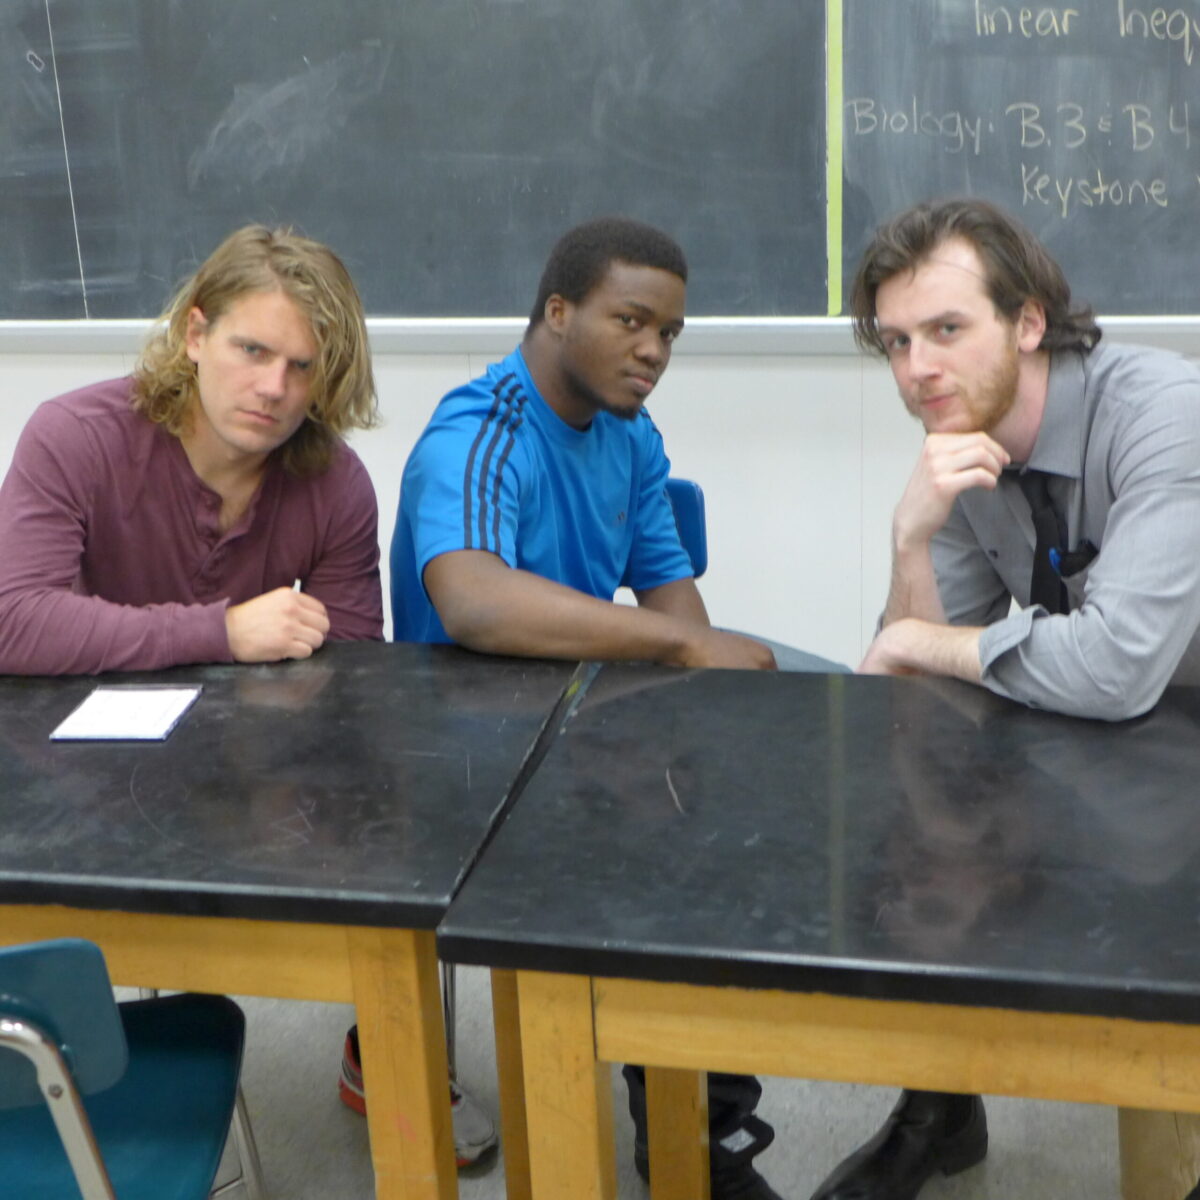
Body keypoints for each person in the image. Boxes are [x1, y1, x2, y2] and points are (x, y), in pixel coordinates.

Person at [387, 216, 783, 1199]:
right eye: (632, 321)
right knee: (658, 854)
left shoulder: (631, 435)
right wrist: (686, 646)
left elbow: (671, 598)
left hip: (574, 722)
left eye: (670, 334)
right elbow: (474, 602)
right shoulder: (481, 430)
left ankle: (699, 1126)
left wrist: (705, 690)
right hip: (459, 755)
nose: (653, 350)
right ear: (558, 311)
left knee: (722, 813)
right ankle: (658, 1103)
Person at [820, 196, 1200, 1200]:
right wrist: (911, 539)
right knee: (921, 818)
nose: (916, 371)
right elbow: (909, 685)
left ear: (1029, 321)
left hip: (1181, 711)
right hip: (1102, 717)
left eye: (947, 330)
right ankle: (940, 1107)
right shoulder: (964, 441)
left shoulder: (1165, 412)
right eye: (897, 342)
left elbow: (1121, 666)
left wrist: (921, 641)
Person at [0, 224, 383, 674]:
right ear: (195, 335)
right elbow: (12, 621)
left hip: (250, 735)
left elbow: (353, 671)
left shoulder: (337, 482)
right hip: (85, 728)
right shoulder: (73, 437)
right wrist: (222, 632)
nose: (274, 388)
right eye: (253, 351)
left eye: (302, 366)